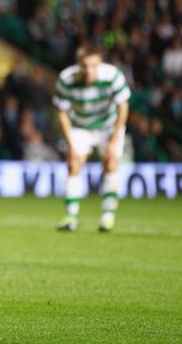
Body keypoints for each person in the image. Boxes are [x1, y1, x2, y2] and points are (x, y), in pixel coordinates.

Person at [53, 43, 131, 232]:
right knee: (73, 162)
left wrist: (113, 140)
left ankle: (107, 216)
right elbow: (61, 112)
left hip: (108, 126)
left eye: (94, 65)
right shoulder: (66, 79)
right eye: (85, 66)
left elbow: (123, 107)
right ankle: (71, 217)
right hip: (80, 126)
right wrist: (70, 144)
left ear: (100, 64)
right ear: (78, 64)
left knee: (110, 163)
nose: (89, 70)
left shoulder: (113, 76)